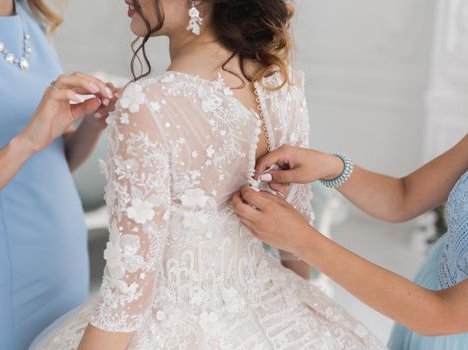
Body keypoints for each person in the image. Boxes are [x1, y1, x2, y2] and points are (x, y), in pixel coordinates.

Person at [30, 0, 386, 349]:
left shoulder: (146, 103)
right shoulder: (280, 82)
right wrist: (292, 315)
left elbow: (128, 296)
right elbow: (295, 244)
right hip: (275, 304)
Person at [0, 0, 118, 348]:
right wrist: (25, 142)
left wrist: (92, 124)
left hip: (65, 262)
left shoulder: (34, 19)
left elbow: (54, 161)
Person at [232, 135, 468, 350]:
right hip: (423, 305)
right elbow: (404, 197)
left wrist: (302, 240)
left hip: (439, 322)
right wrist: (333, 168)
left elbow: (441, 314)